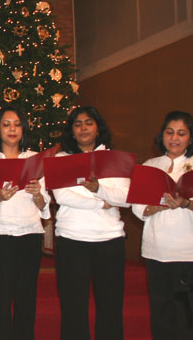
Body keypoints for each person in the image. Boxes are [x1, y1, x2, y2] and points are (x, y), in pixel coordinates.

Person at [131, 111, 193, 340]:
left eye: (181, 133)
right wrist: (159, 206)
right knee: (162, 315)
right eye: (169, 132)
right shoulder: (151, 165)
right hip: (157, 251)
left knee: (191, 316)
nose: (174, 138)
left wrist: (186, 203)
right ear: (162, 136)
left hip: (191, 252)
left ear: (191, 138)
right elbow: (137, 208)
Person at [52, 106, 130, 340]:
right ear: (71, 130)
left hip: (109, 239)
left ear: (98, 128)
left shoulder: (114, 158)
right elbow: (62, 197)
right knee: (73, 307)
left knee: (111, 306)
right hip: (71, 239)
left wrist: (100, 190)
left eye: (88, 123)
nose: (83, 128)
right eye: (77, 124)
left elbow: (125, 197)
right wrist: (103, 201)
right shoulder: (61, 159)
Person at [0, 106, 50, 339]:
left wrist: (37, 193)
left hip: (29, 233)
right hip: (0, 234)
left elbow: (44, 204)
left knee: (27, 294)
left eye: (17, 124)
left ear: (23, 128)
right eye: (6, 124)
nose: (12, 129)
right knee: (1, 295)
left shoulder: (33, 159)